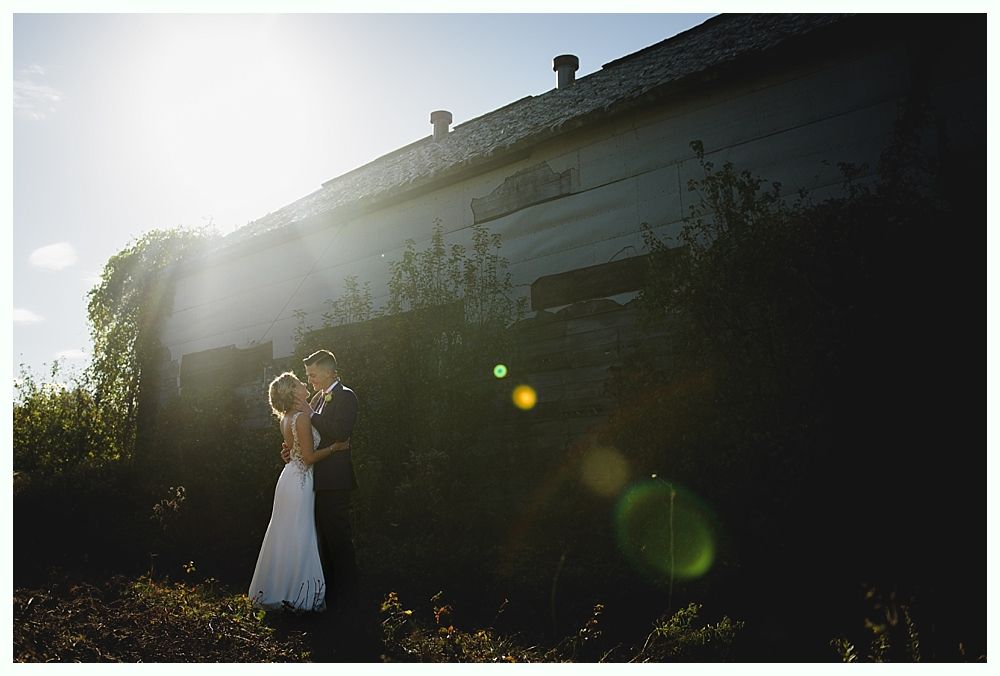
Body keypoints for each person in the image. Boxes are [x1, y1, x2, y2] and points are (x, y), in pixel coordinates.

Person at [249, 372, 349, 611]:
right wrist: (336, 447)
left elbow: (293, 451)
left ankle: (280, 589)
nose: (304, 383)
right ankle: (300, 595)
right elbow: (308, 457)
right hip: (300, 481)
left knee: (286, 534)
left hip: (289, 480)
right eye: (298, 382)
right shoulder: (302, 418)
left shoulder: (288, 416)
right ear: (293, 392)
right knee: (300, 534)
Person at [283, 349, 360, 616]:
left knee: (338, 537)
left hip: (335, 480)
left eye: (313, 374)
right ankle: (329, 593)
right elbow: (310, 435)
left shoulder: (346, 397)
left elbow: (340, 432)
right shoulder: (315, 399)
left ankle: (350, 596)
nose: (311, 379)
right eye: (308, 375)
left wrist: (310, 413)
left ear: (328, 371)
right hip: (315, 478)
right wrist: (291, 449)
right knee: (322, 539)